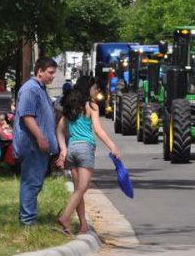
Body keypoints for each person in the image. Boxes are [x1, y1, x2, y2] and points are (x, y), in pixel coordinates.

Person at [54, 75, 121, 235]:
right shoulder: (92, 106)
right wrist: (113, 146)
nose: (96, 90)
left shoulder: (70, 106)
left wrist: (63, 150)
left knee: (78, 190)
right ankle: (65, 217)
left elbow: (59, 129)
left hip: (71, 149)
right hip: (85, 149)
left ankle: (83, 225)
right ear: (88, 88)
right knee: (82, 189)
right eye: (95, 88)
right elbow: (98, 130)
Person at [13, 56, 59, 226]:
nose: (53, 76)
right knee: (31, 182)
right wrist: (40, 136)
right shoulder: (30, 89)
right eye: (50, 72)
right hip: (32, 146)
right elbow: (27, 115)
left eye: (54, 73)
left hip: (40, 147)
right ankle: (27, 220)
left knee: (35, 182)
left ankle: (27, 216)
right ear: (40, 72)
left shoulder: (40, 89)